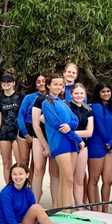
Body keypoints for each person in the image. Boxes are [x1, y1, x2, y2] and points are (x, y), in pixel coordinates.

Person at [0, 164, 92, 224]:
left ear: (27, 175)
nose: (17, 177)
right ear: (11, 176)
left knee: (37, 208)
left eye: (21, 174)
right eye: (14, 174)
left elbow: (36, 215)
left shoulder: (28, 192)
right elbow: (10, 218)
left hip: (23, 223)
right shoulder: (6, 193)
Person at [33, 73, 82, 209]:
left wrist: (70, 128)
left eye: (61, 84)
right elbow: (57, 124)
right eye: (55, 84)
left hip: (71, 143)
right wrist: (78, 138)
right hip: (60, 143)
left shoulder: (64, 103)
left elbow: (75, 120)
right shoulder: (46, 103)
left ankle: (61, 207)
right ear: (48, 85)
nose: (58, 87)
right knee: (68, 178)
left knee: (65, 179)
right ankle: (67, 209)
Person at [87, 83, 112, 213]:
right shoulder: (96, 106)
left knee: (108, 179)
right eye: (103, 91)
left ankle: (105, 210)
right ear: (98, 93)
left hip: (109, 146)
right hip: (97, 144)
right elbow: (99, 125)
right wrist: (107, 142)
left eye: (108, 91)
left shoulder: (111, 107)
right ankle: (94, 209)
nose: (106, 94)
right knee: (94, 179)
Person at [0, 71, 21, 183]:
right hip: (4, 134)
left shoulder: (20, 97)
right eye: (4, 81)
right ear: (1, 84)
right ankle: (9, 186)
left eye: (9, 81)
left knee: (19, 163)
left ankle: (20, 186)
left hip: (17, 133)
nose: (6, 83)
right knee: (6, 163)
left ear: (13, 83)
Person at [16, 74, 46, 176]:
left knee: (36, 163)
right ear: (35, 84)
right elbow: (20, 116)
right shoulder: (29, 97)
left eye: (43, 81)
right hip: (26, 130)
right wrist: (26, 134)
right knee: (24, 161)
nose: (41, 83)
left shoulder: (50, 98)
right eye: (38, 81)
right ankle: (21, 186)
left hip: (40, 132)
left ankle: (32, 187)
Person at [68, 84, 93, 205]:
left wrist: (70, 132)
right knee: (69, 178)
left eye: (81, 93)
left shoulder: (88, 110)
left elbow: (89, 132)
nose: (79, 96)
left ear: (85, 95)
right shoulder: (66, 107)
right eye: (76, 93)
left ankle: (79, 205)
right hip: (68, 147)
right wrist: (74, 135)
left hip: (83, 147)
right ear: (71, 94)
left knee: (79, 179)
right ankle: (70, 204)